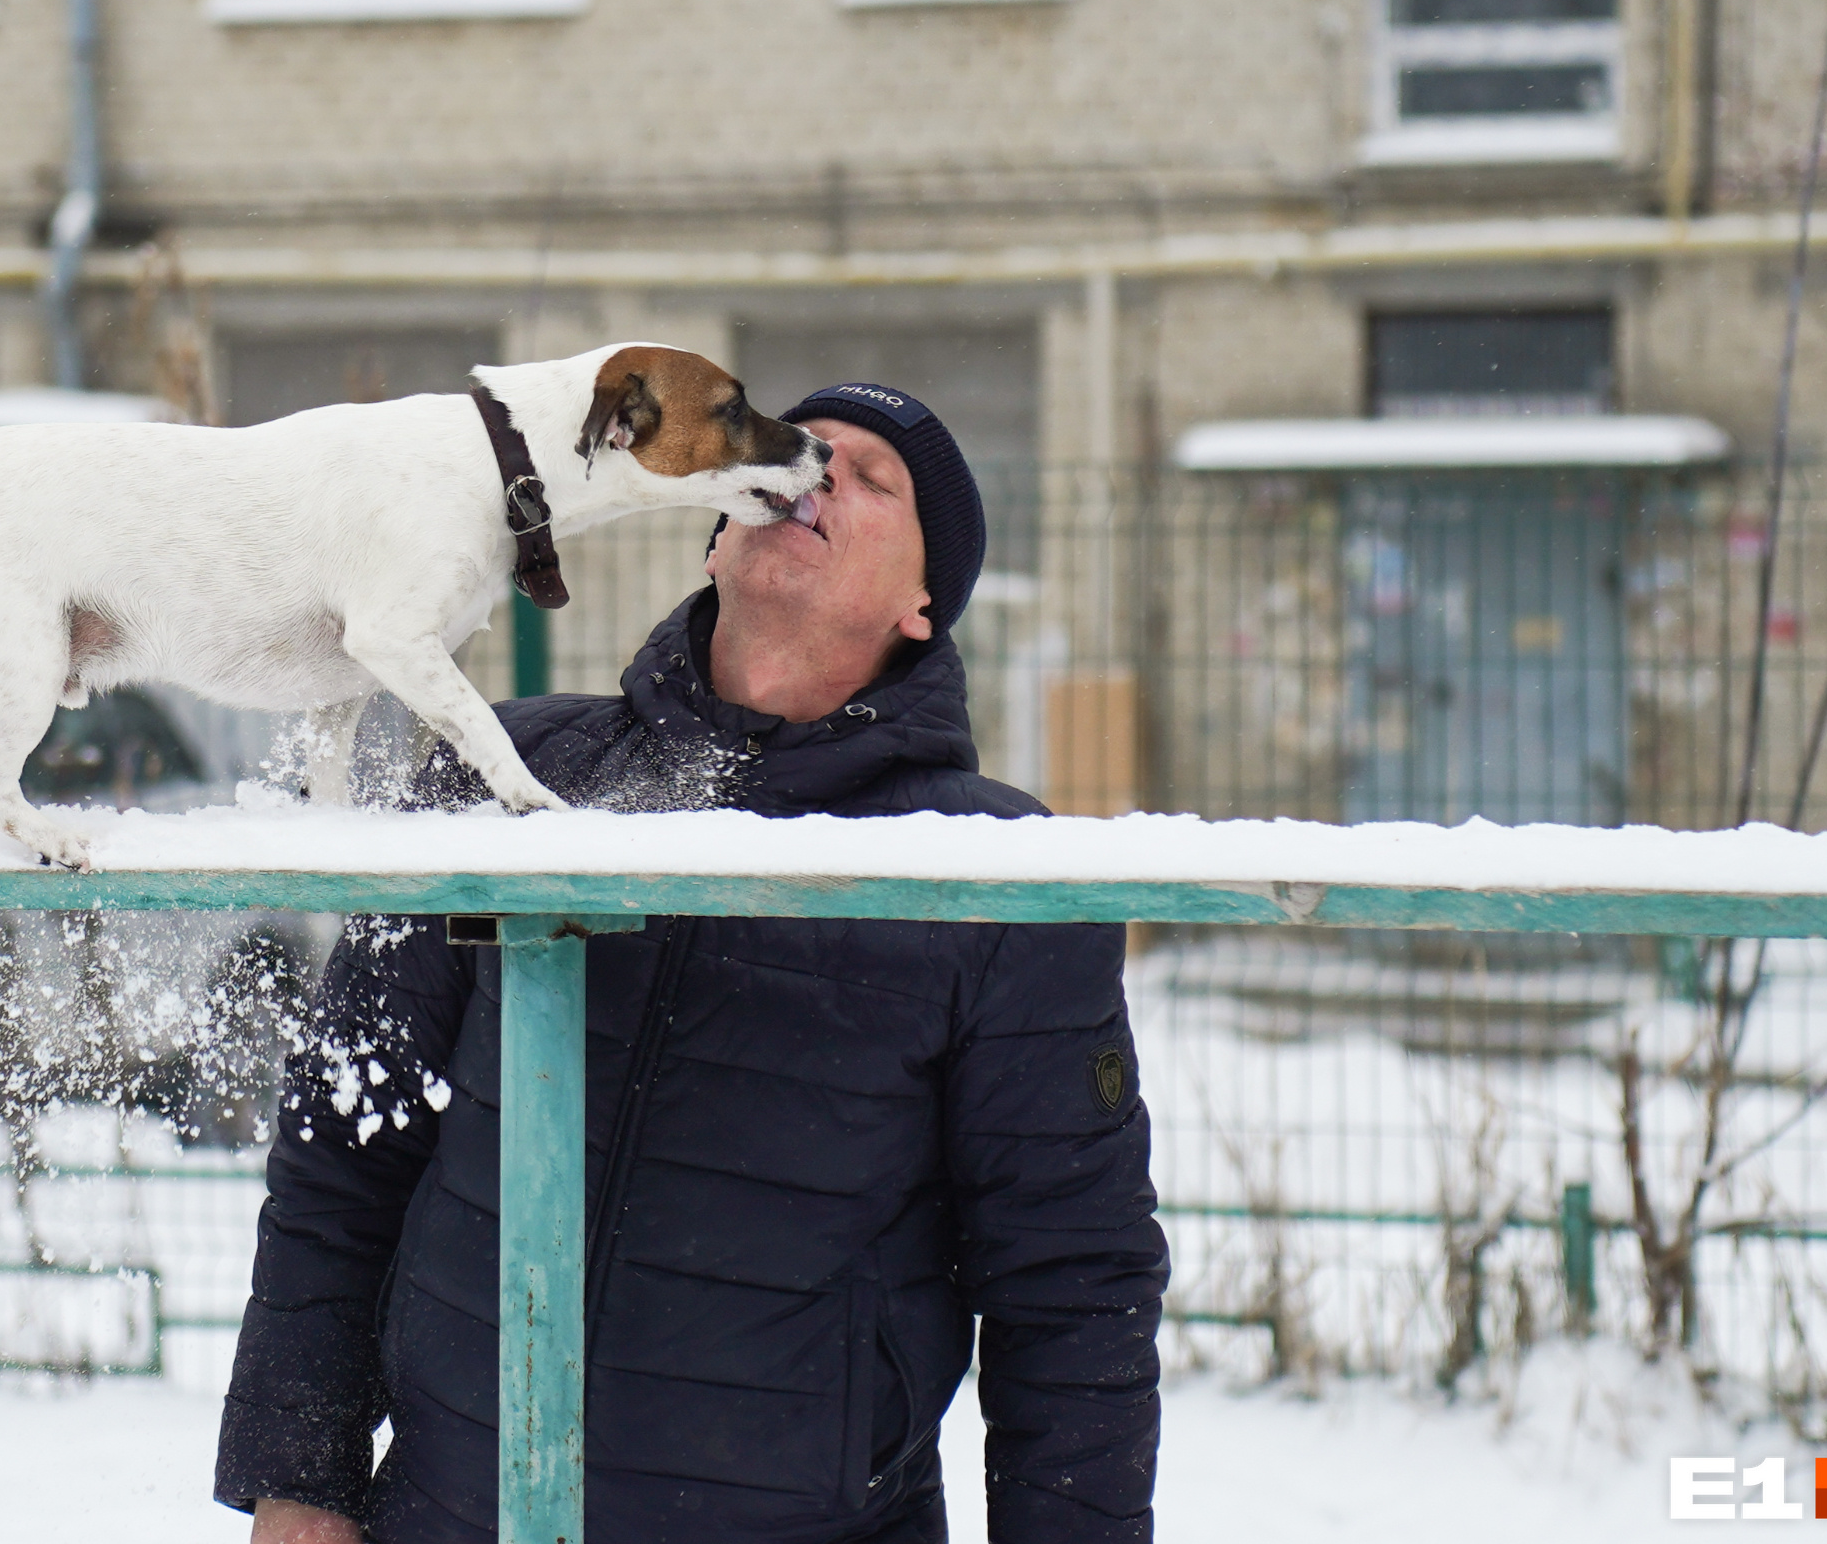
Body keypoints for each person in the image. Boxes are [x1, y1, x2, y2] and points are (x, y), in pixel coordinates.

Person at [214, 381, 1167, 1544]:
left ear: (925, 604)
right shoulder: (510, 767)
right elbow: (344, 1139)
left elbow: (1074, 1287)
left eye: (874, 481)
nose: (820, 474)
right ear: (721, 529)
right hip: (457, 1516)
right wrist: (298, 1470)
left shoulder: (993, 876)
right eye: (803, 456)